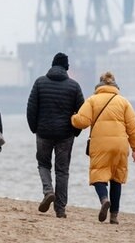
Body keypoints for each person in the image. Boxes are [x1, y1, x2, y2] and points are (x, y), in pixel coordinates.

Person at [71, 71, 135, 225]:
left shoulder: (92, 100)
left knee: (98, 175)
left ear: (100, 84)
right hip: (120, 145)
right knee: (117, 178)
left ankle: (104, 199)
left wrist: (73, 117)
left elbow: (82, 122)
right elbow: (133, 127)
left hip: (100, 144)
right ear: (114, 84)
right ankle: (114, 216)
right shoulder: (124, 102)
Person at [26, 52, 84, 218]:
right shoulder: (74, 86)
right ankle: (60, 209)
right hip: (65, 135)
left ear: (52, 65)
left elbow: (31, 108)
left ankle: (48, 191)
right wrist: (75, 131)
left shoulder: (39, 82)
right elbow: (82, 113)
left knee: (43, 164)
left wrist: (34, 128)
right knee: (62, 171)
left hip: (43, 132)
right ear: (66, 67)